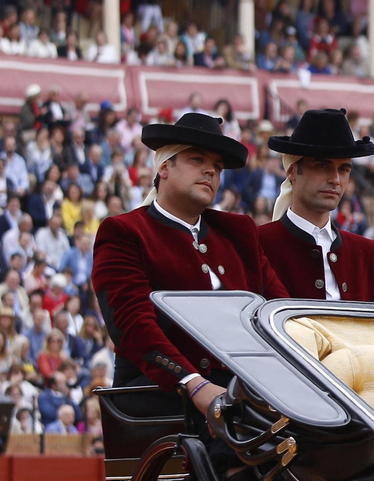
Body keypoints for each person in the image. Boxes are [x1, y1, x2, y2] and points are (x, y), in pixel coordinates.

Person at [91, 112, 286, 416]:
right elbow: (134, 327)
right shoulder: (125, 232)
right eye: (197, 160)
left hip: (247, 394)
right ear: (165, 167)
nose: (210, 171)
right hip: (163, 395)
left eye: (218, 167)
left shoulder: (239, 232)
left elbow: (279, 310)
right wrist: (192, 381)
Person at [257, 108, 374, 302]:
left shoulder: (369, 255)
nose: (335, 179)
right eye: (322, 166)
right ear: (292, 171)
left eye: (343, 169)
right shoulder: (257, 245)